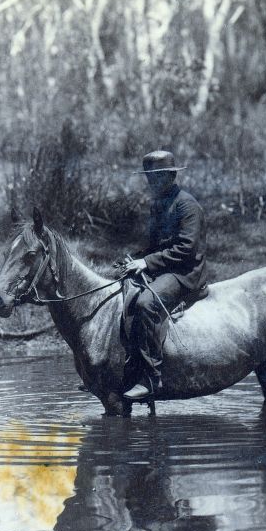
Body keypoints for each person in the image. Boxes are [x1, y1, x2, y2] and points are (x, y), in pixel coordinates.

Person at [116, 150, 208, 402]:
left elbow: (185, 248)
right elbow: (156, 244)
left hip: (185, 272)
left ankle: (151, 377)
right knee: (123, 295)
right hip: (164, 268)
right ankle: (128, 370)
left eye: (157, 177)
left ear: (170, 176)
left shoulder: (187, 205)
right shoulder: (158, 204)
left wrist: (146, 262)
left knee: (147, 304)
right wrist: (134, 259)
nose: (151, 182)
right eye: (148, 177)